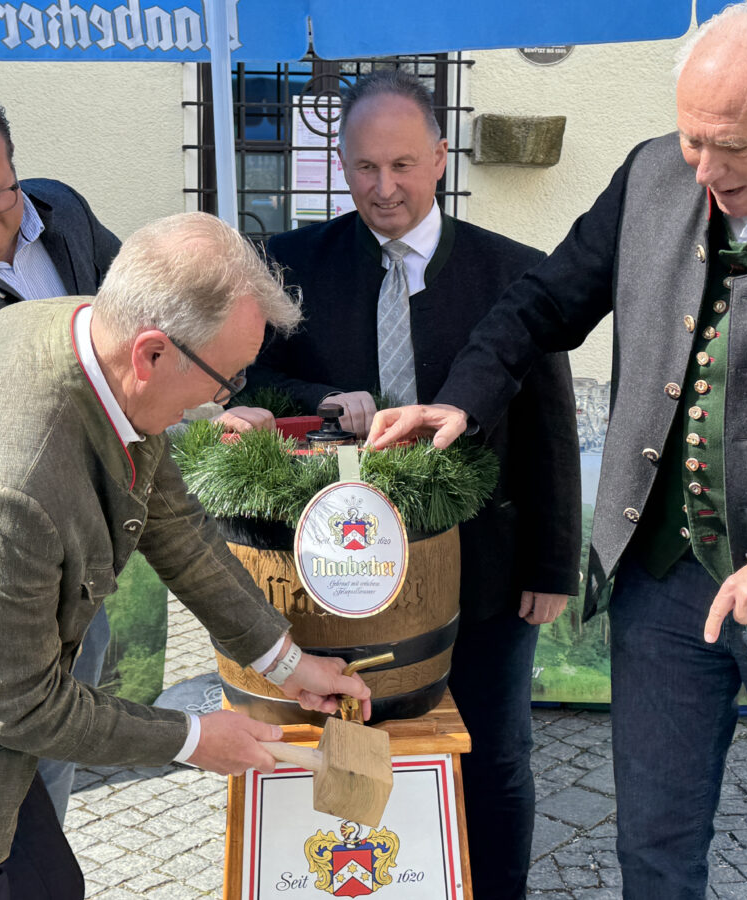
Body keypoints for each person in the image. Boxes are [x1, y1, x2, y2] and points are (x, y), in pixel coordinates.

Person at [368, 3, 747, 898]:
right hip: (662, 587)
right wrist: (462, 400)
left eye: (734, 146)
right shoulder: (650, 177)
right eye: (691, 140)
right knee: (654, 854)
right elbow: (540, 303)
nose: (706, 172)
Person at [0, 211, 372, 899]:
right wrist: (193, 737)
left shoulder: (89, 333)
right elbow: (22, 708)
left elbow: (174, 523)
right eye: (227, 379)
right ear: (151, 353)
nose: (222, 401)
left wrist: (283, 663)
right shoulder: (9, 490)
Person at [0, 88, 271, 822]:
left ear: (15, 164)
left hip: (75, 533)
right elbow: (10, 423)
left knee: (54, 754)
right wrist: (193, 736)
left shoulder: (63, 212)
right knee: (7, 738)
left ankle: (34, 838)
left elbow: (143, 328)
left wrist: (195, 399)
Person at [248, 69, 581, 898]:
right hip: (332, 572)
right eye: (364, 167)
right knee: (356, 747)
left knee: (495, 751)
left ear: (439, 158)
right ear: (341, 162)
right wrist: (317, 403)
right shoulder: (286, 266)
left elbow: (549, 429)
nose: (383, 187)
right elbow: (246, 384)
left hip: (489, 571)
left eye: (402, 165)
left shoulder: (517, 273)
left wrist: (551, 565)